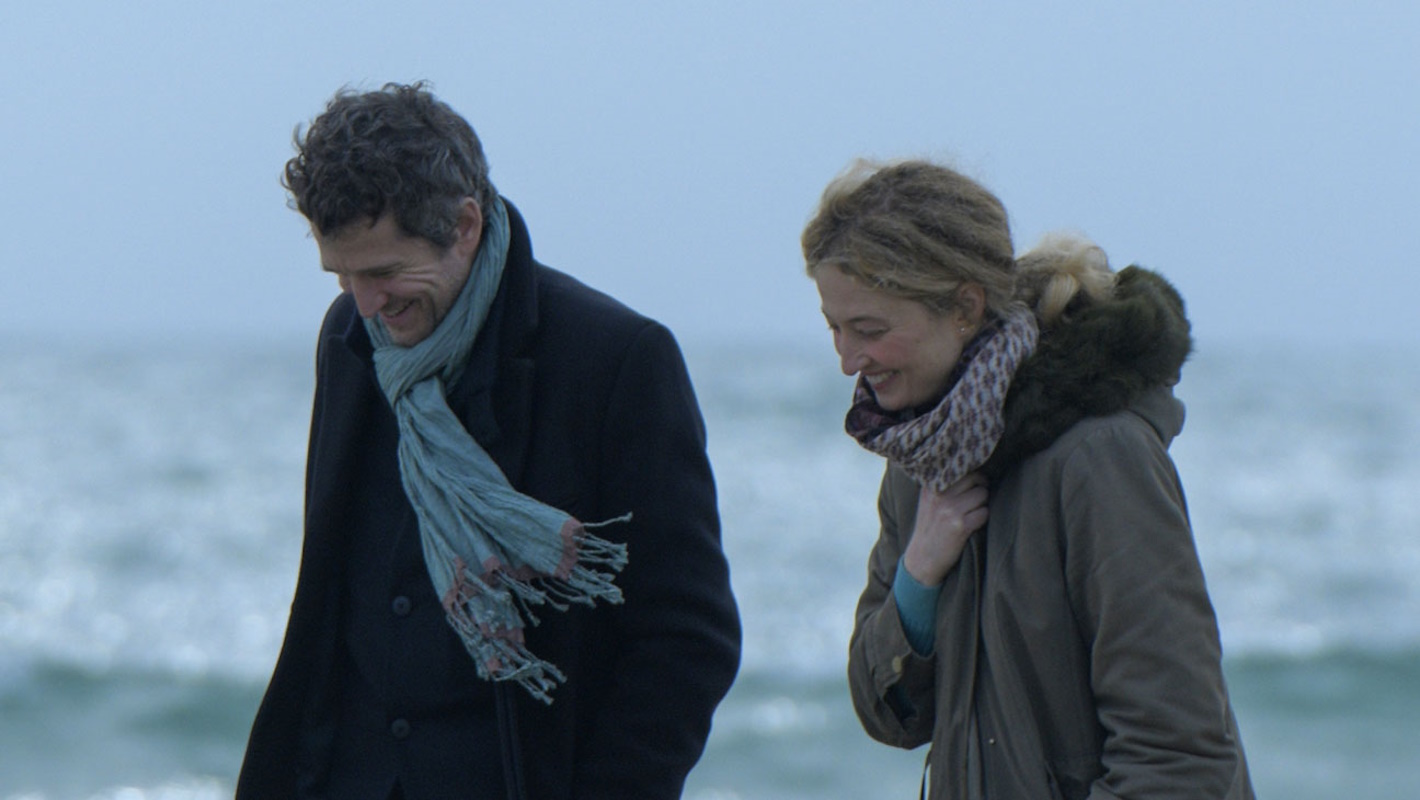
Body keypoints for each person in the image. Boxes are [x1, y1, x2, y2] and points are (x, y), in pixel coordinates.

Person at [237, 82, 741, 800]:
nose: (365, 302)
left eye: (383, 272)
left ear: (465, 225)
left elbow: (688, 639)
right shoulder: (350, 338)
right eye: (341, 275)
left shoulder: (615, 359)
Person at [803, 159, 1253, 799]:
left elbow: (1179, 758)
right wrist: (918, 578)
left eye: (870, 330)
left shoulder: (1101, 457)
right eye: (835, 328)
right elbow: (888, 716)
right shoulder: (923, 457)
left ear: (965, 307)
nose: (849, 360)